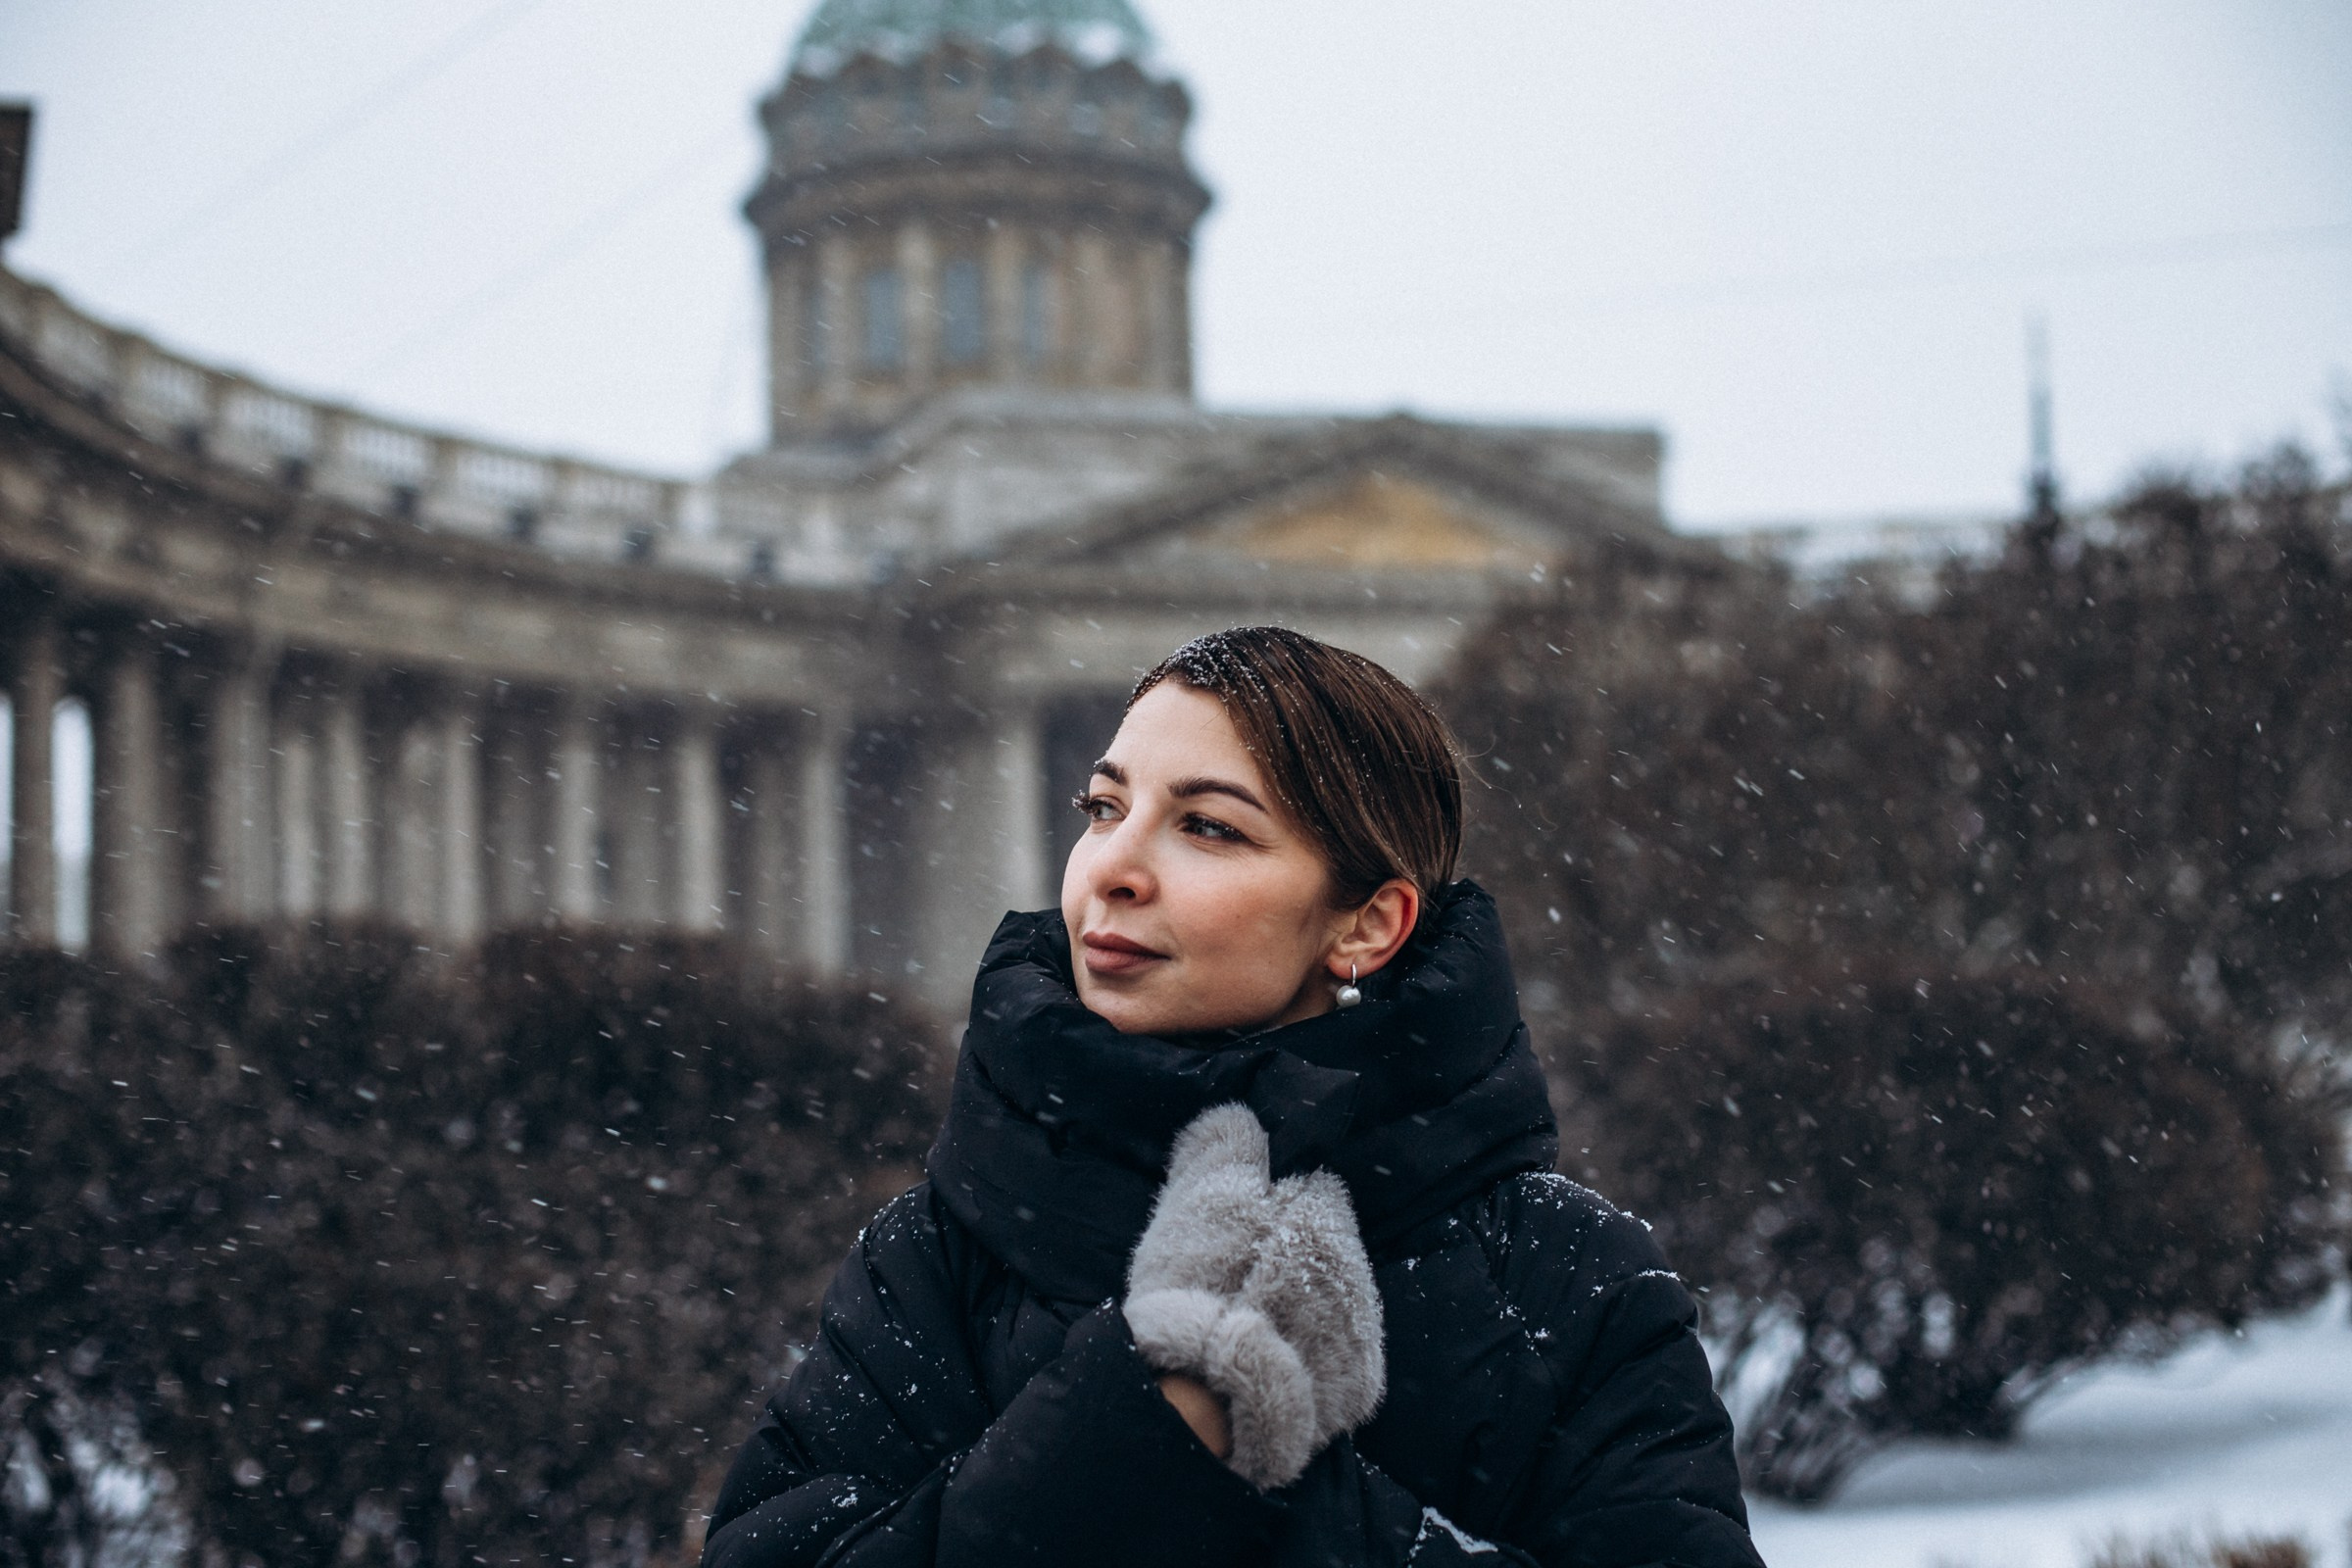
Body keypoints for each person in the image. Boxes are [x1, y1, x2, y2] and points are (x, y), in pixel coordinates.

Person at [700, 626, 1763, 1567]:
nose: (1113, 865)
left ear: (1367, 923)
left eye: (1208, 826)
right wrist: (1146, 1411)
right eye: (1104, 806)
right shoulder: (936, 1247)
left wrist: (1234, 1456)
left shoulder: (1570, 1280)